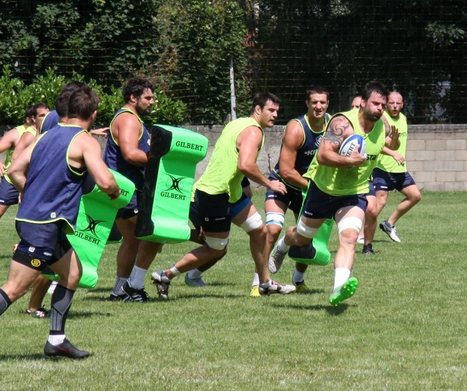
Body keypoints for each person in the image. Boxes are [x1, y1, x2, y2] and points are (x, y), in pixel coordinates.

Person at [0, 85, 120, 358]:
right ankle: (56, 339)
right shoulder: (85, 140)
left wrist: (31, 191)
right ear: (93, 113)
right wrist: (113, 192)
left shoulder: (44, 136)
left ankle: (56, 340)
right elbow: (105, 180)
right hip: (43, 226)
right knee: (15, 288)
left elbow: (15, 169)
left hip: (43, 223)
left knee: (72, 274)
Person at [151, 92, 296, 299]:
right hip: (214, 194)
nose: (275, 115)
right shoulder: (254, 132)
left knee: (260, 231)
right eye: (270, 110)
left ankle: (264, 283)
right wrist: (269, 183)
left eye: (277, 111)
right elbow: (245, 165)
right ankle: (166, 275)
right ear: (258, 110)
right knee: (216, 249)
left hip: (231, 194)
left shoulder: (237, 124)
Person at [282, 81, 400, 305]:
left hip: (354, 193)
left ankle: (338, 289)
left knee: (349, 238)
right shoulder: (341, 123)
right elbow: (323, 155)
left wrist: (393, 142)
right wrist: (349, 161)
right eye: (375, 103)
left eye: (382, 105)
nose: (379, 109)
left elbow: (386, 146)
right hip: (324, 190)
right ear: (362, 103)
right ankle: (283, 244)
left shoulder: (382, 125)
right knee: (301, 238)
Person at [264, 85, 332, 293]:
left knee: (307, 237)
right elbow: (286, 170)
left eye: (322, 102)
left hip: (308, 188)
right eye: (314, 102)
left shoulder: (332, 125)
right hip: (283, 184)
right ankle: (260, 279)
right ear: (307, 104)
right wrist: (314, 186)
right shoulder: (296, 128)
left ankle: (298, 279)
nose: (318, 106)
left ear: (328, 104)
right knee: (273, 228)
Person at [104, 77, 162, 302]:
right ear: (133, 97)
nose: (152, 101)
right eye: (148, 97)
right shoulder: (129, 120)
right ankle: (134, 286)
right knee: (155, 233)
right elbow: (130, 153)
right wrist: (158, 159)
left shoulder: (129, 117)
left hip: (123, 190)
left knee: (132, 240)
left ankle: (119, 289)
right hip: (126, 189)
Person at [0, 103, 52, 318]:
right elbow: (15, 163)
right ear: (32, 118)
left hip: (31, 187)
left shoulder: (49, 135)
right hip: (15, 183)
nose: (46, 119)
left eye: (48, 115)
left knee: (32, 226)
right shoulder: (29, 135)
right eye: (41, 115)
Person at [362, 91, 421, 253]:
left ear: (402, 104)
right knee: (379, 203)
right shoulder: (381, 119)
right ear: (386, 104)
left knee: (415, 196)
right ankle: (361, 234)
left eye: (398, 103)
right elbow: (377, 144)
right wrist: (393, 153)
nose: (395, 106)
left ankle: (389, 223)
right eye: (392, 103)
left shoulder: (403, 119)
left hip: (400, 169)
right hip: (382, 168)